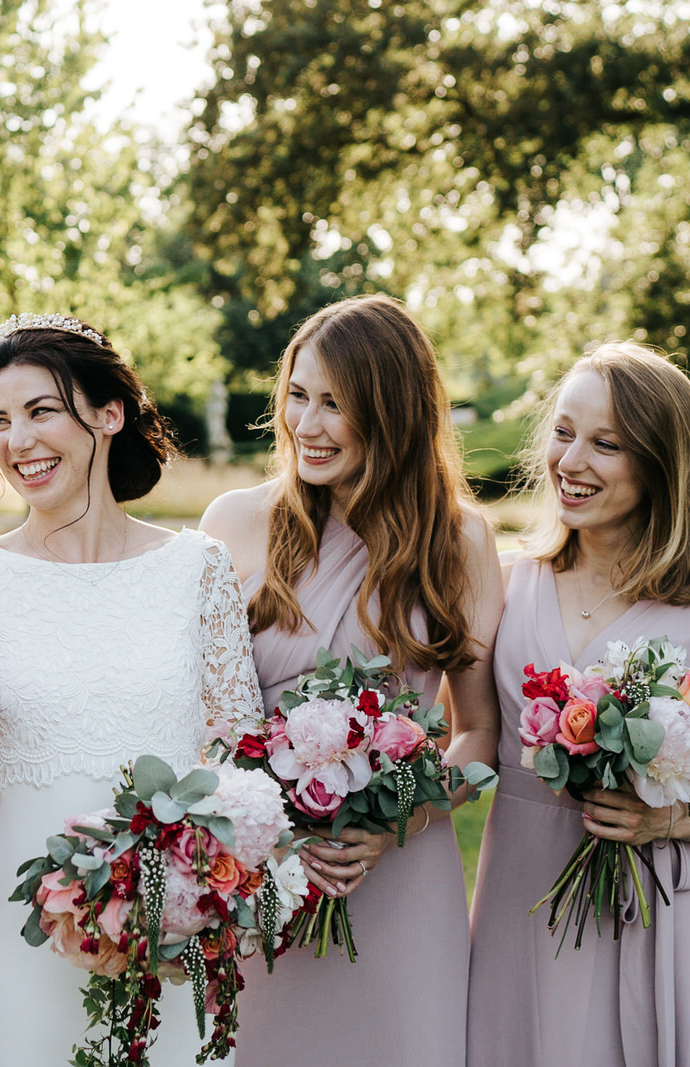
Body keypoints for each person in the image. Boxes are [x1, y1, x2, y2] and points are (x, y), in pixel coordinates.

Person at [0, 313, 262, 1067]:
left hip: (172, 933)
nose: (17, 441)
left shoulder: (198, 569)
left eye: (42, 410)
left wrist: (188, 888)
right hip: (27, 942)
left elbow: (240, 757)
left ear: (109, 414)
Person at [465, 342, 690, 1066]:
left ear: (659, 463)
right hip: (515, 905)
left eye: (606, 444)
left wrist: (668, 817)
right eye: (562, 431)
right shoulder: (502, 583)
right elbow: (468, 737)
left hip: (651, 910)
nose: (570, 460)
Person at [200, 294, 502, 1066]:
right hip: (265, 870)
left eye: (336, 403)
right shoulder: (233, 521)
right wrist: (261, 825)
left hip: (400, 871)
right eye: (298, 395)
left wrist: (399, 820)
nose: (306, 423)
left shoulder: (459, 539)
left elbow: (478, 733)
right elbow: (198, 714)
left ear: (393, 410)